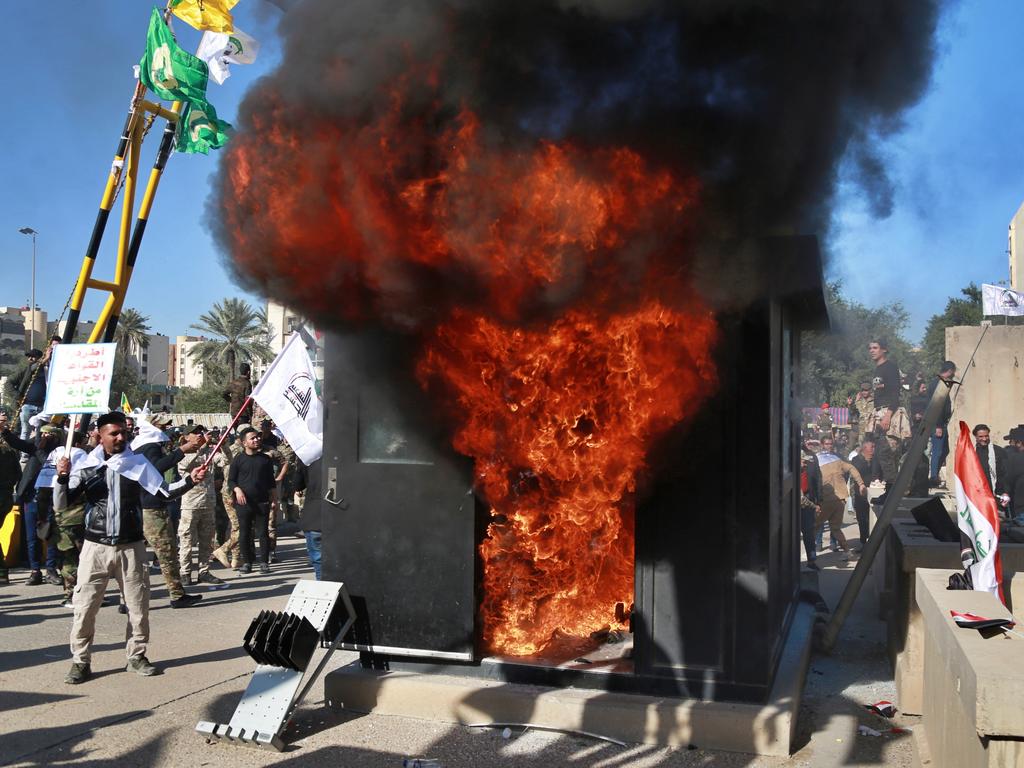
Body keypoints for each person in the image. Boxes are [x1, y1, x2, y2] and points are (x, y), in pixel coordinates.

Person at [54, 411, 208, 684]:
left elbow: (164, 492)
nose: (121, 437)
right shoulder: (87, 465)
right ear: (99, 436)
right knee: (85, 607)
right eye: (114, 433)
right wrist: (63, 477)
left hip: (131, 546)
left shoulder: (137, 463)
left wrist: (190, 481)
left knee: (138, 605)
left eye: (124, 432)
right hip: (95, 547)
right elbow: (64, 502)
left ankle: (136, 656)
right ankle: (80, 661)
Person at [132, 412, 204, 607]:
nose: (165, 429)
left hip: (143, 505)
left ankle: (128, 599)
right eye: (161, 426)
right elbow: (156, 467)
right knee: (167, 555)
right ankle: (177, 595)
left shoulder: (140, 445)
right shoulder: (149, 446)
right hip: (152, 506)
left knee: (138, 558)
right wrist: (181, 451)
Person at [0, 415, 63, 586]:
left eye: (49, 435)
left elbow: (45, 458)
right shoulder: (34, 448)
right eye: (42, 434)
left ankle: (51, 569)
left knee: (49, 535)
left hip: (49, 499)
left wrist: (40, 446)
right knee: (31, 537)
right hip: (30, 497)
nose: (44, 437)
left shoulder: (58, 453)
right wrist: (5, 430)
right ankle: (35, 570)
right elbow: (17, 443)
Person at [176, 425, 225, 586]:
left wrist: (223, 444)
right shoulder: (182, 453)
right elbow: (185, 466)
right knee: (187, 540)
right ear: (186, 437)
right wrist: (202, 447)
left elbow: (225, 461)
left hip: (208, 503)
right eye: (195, 433)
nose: (199, 435)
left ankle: (204, 571)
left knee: (207, 540)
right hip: (190, 504)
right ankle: (185, 572)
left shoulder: (209, 452)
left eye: (200, 433)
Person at [228, 427, 279, 574]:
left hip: (262, 502)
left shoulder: (265, 459)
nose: (256, 440)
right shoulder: (238, 460)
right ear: (244, 443)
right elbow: (231, 481)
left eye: (257, 437)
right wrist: (237, 490)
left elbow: (271, 482)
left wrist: (274, 500)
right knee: (244, 533)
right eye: (252, 438)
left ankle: (264, 562)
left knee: (263, 533)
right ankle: (247, 563)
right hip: (244, 504)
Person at [865, 338, 908, 486]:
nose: (871, 350)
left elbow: (895, 393)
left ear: (884, 350)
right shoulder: (877, 369)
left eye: (875, 348)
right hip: (879, 412)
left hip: (890, 413)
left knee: (888, 452)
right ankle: (889, 489)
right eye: (870, 348)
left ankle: (893, 489)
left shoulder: (890, 367)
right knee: (881, 453)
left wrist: (888, 416)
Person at [816, 434, 866, 560]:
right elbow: (852, 468)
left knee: (815, 525)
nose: (829, 446)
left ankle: (812, 552)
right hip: (839, 498)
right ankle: (846, 551)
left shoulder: (818, 459)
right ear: (822, 444)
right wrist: (860, 483)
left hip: (829, 498)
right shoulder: (837, 459)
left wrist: (860, 483)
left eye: (830, 444)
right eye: (827, 444)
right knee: (835, 527)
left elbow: (851, 468)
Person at [10, 342, 54, 440]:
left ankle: (36, 453)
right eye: (29, 357)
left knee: (40, 432)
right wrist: (17, 396)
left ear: (39, 358)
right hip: (27, 406)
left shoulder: (47, 370)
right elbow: (9, 383)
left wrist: (48, 357)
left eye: (33, 357)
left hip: (42, 407)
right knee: (25, 431)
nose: (30, 359)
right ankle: (24, 455)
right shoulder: (27, 370)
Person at [927, 361, 957, 487]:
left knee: (945, 450)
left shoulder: (942, 382)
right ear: (949, 371)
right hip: (937, 423)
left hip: (942, 423)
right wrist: (938, 425)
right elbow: (937, 405)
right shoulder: (938, 383)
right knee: (937, 451)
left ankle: (935, 474)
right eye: (953, 373)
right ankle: (933, 477)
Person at [0, 410, 21, 585]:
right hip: (5, 495)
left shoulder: (5, 450)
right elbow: (17, 474)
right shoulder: (9, 450)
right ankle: (2, 572)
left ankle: (2, 571)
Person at [295, 457, 323, 579]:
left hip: (314, 516)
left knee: (318, 559)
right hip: (342, 514)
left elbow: (297, 484)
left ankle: (324, 591)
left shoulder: (307, 455)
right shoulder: (346, 452)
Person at [973, 424, 1008, 507]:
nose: (984, 439)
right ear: (975, 437)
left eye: (986, 436)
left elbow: (1006, 474)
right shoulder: (971, 452)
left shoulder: (999, 451)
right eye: (981, 436)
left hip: (997, 494)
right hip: (977, 495)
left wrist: (1005, 493)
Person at [799, 445, 822, 571]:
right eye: (804, 462)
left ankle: (811, 559)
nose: (806, 464)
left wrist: (818, 500)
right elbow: (800, 498)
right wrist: (814, 506)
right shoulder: (789, 473)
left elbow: (818, 479)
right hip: (797, 502)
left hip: (808, 497)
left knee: (808, 532)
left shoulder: (811, 464)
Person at [850, 439, 875, 551]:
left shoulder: (875, 459)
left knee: (872, 519)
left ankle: (871, 541)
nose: (873, 450)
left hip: (873, 493)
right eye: (871, 448)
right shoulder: (856, 460)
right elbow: (857, 472)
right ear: (864, 449)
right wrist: (867, 461)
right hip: (860, 494)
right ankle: (863, 542)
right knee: (862, 519)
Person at [1001, 425, 1024, 526]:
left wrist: (1005, 493)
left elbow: (1008, 480)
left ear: (1018, 443)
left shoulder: (1014, 458)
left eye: (1011, 441)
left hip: (1019, 508)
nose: (1010, 444)